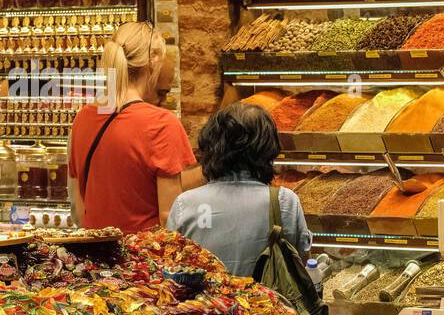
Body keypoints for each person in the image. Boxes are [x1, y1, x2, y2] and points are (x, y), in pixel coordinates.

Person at [69, 22, 197, 234]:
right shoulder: (162, 124)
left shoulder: (83, 119)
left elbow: (81, 207)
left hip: (95, 259)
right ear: (152, 65)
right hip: (143, 261)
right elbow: (170, 219)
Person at [166, 103, 312, 276]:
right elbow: (301, 262)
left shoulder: (185, 203)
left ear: (211, 147)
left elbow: (172, 268)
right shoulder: (285, 201)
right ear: (268, 149)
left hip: (205, 302)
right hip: (268, 302)